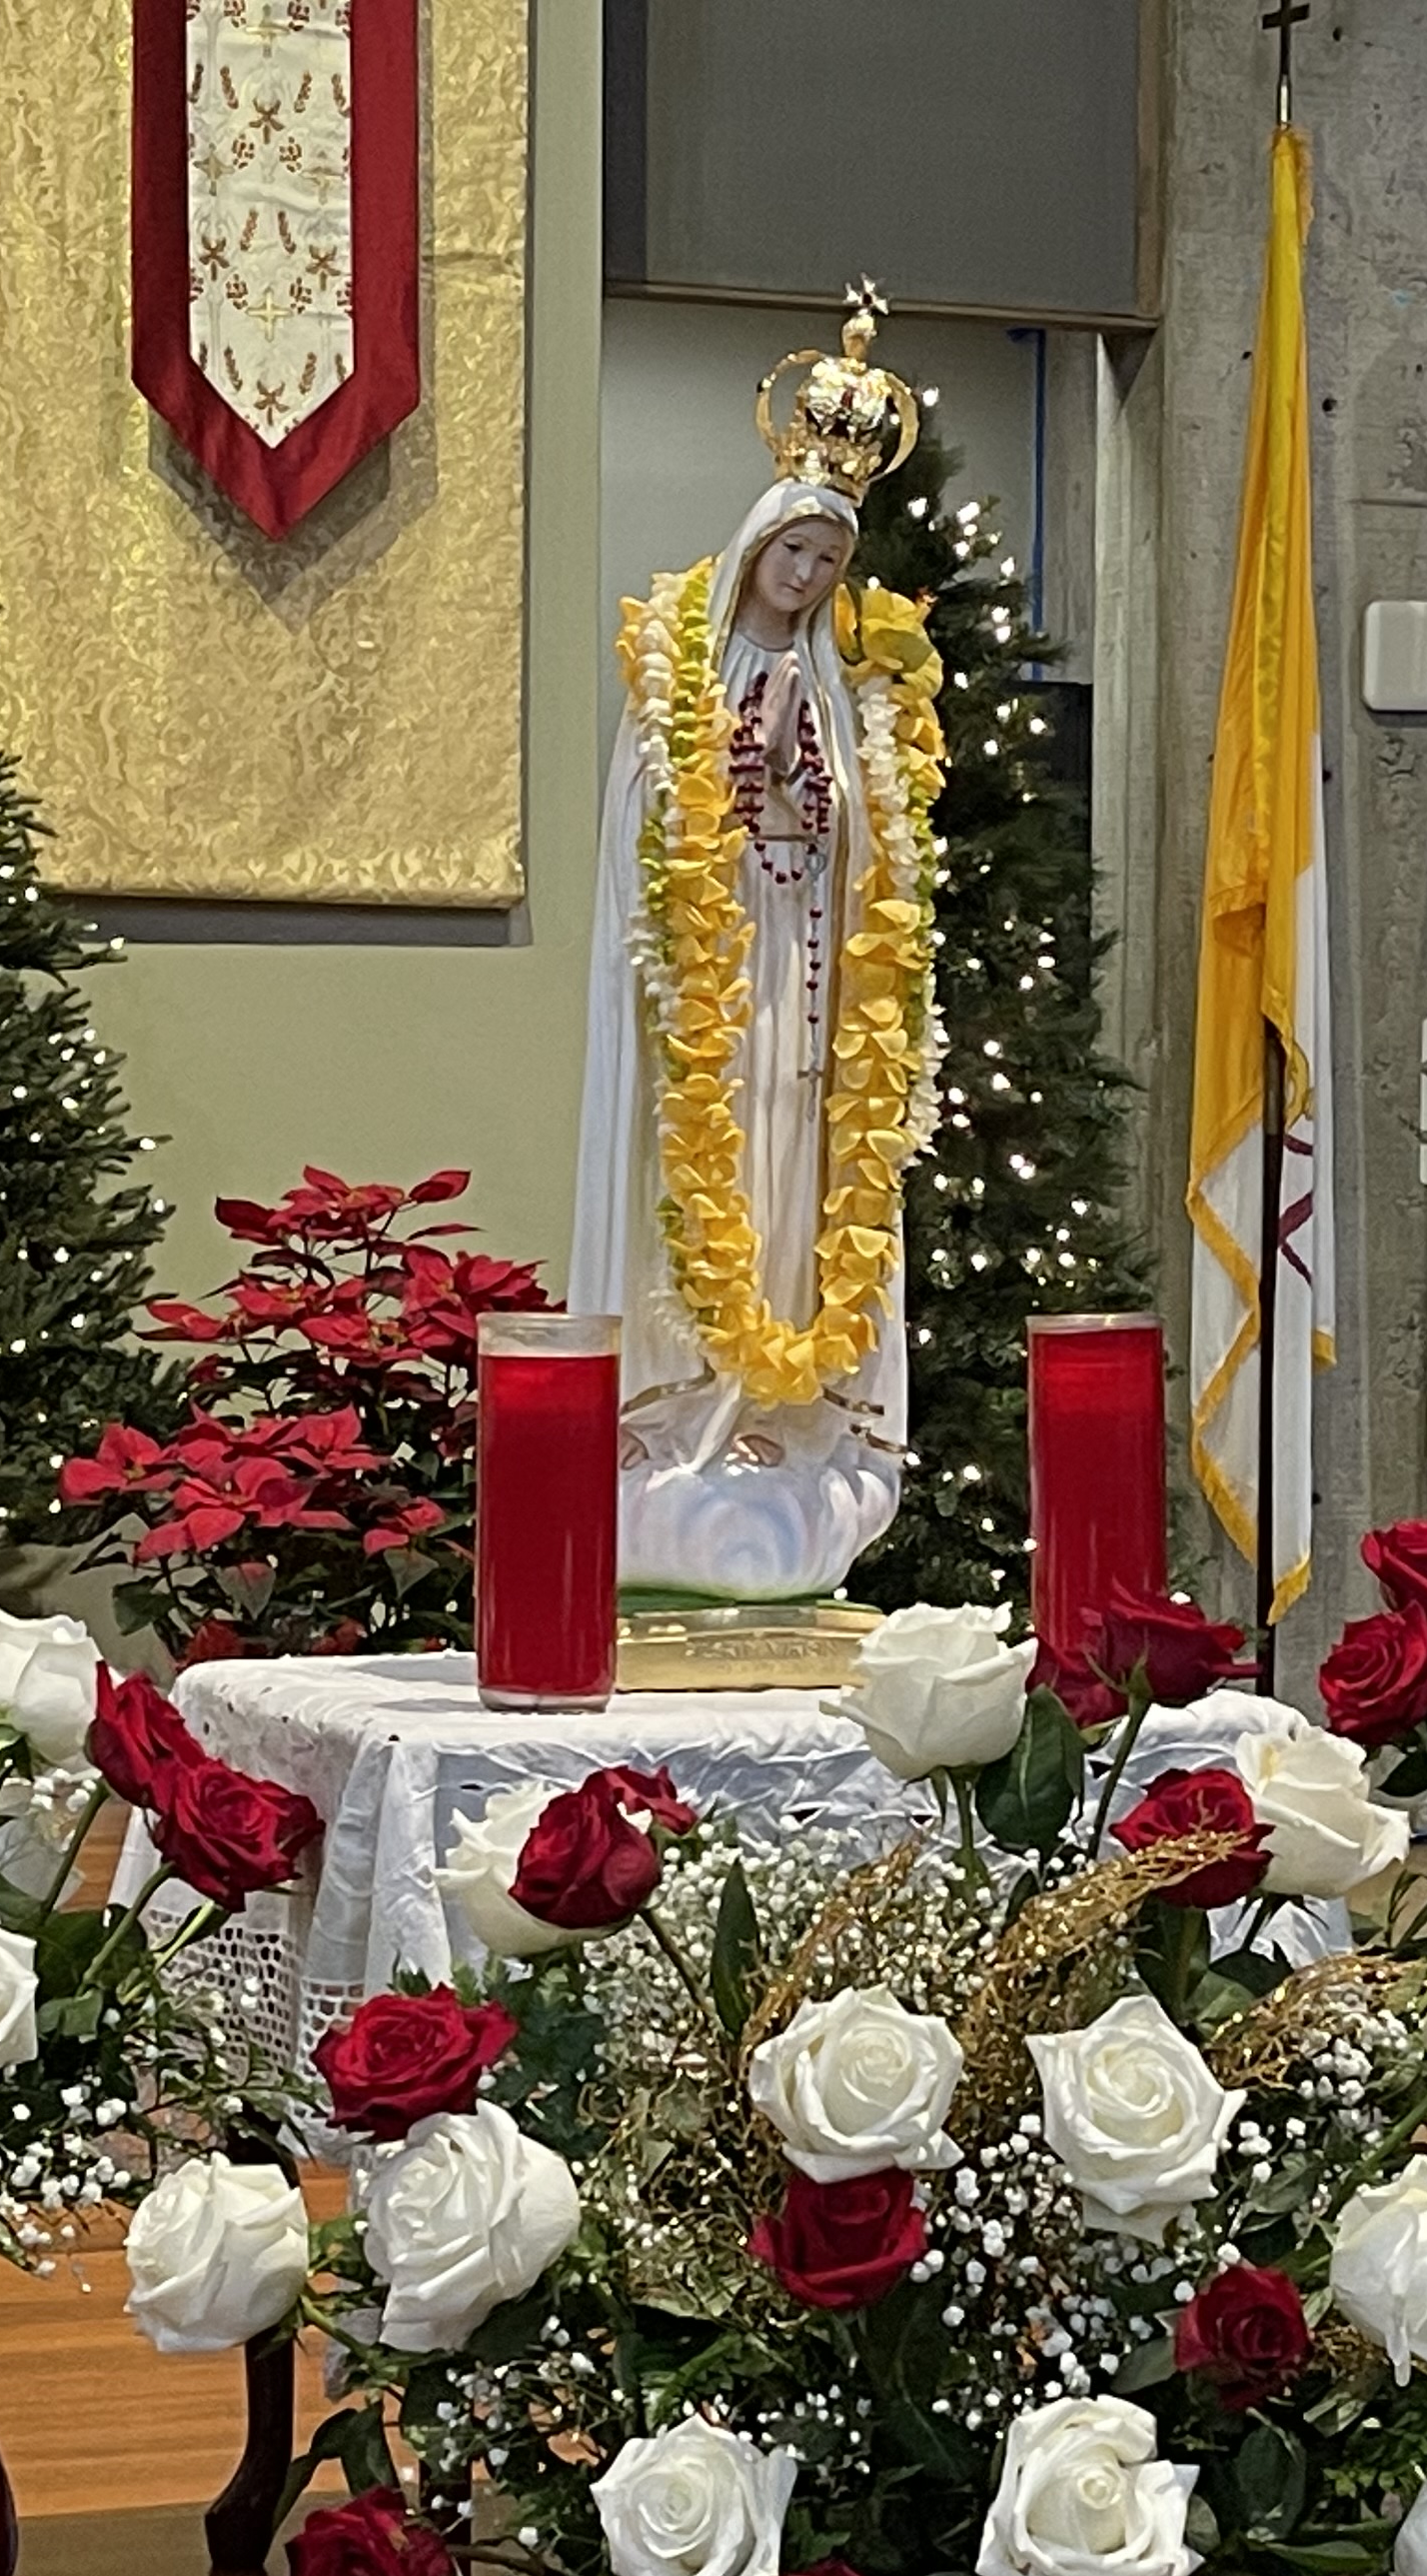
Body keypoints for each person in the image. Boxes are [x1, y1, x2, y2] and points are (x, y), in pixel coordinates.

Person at [572, 297, 946, 1606]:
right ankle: (688, 1409)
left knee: (798, 1165)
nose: (808, 575)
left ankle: (786, 1418)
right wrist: (732, 783)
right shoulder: (686, 673)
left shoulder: (851, 694)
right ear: (757, 548)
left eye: (828, 559)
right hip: (715, 982)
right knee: (716, 1156)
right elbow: (648, 826)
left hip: (809, 973)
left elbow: (875, 848)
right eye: (794, 549)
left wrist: (814, 788)